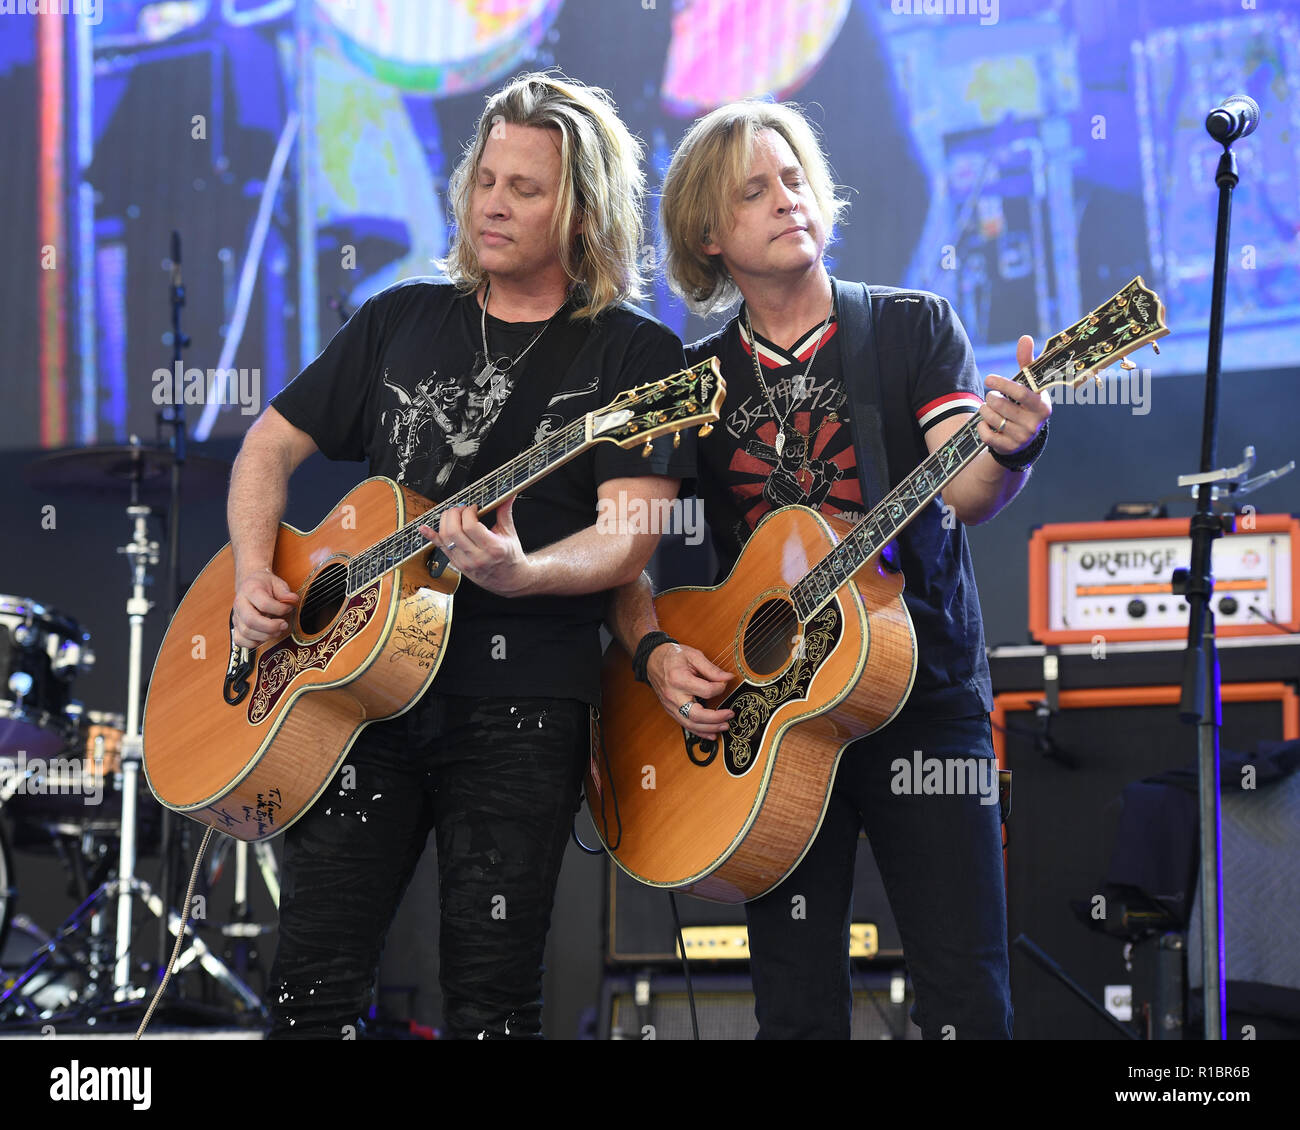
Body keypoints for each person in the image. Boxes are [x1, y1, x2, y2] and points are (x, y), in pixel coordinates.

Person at [228, 72, 692, 1039]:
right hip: (358, 698)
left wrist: (524, 573)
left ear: (581, 211)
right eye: (486, 178)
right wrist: (248, 575)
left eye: (526, 188)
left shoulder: (637, 360)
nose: (493, 202)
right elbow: (267, 448)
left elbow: (628, 537)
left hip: (521, 707)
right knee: (310, 986)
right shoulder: (401, 319)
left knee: (489, 999)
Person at [607, 101, 1051, 1039]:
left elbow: (966, 487)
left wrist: (1012, 446)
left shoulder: (907, 328)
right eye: (755, 190)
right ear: (706, 233)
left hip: (918, 694)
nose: (787, 200)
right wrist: (650, 652)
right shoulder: (694, 386)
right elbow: (623, 553)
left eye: (796, 178)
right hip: (773, 726)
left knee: (968, 997)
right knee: (797, 1012)